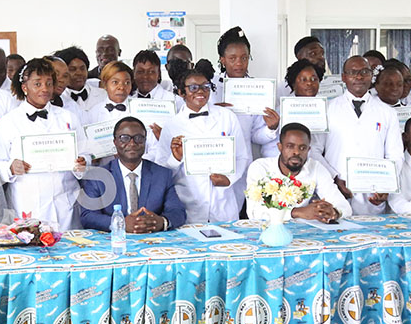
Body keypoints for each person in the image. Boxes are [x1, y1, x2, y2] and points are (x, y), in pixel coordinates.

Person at [0, 57, 87, 230]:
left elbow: (86, 151)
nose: (45, 89)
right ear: (25, 87)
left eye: (49, 83)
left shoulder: (68, 117)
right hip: (27, 205)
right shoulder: (8, 122)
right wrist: (10, 168)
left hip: (66, 204)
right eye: (38, 84)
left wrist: (82, 162)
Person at [157, 68, 249, 223]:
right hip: (189, 204)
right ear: (181, 92)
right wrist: (175, 158)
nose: (200, 91)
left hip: (223, 203)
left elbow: (241, 156)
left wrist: (229, 179)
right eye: (193, 87)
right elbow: (162, 170)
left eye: (205, 86)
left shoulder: (227, 117)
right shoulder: (172, 125)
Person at [323, 55, 402, 214]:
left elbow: (395, 154)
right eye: (353, 72)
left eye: (364, 72)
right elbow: (315, 151)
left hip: (373, 193)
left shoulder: (387, 112)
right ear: (344, 77)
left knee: (372, 235)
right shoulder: (328, 109)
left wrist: (386, 185)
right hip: (336, 189)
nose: (359, 77)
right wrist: (334, 178)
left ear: (371, 76)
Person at [78, 117, 186, 232]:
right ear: (115, 142)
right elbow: (87, 216)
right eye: (124, 138)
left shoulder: (162, 174)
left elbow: (177, 212)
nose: (132, 143)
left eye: (138, 138)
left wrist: (161, 222)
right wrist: (121, 223)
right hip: (112, 243)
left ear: (145, 142)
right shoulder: (97, 177)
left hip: (152, 243)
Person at [244, 122, 351, 222]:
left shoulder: (316, 167)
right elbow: (254, 212)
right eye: (290, 146)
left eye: (302, 148)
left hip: (304, 235)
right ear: (280, 147)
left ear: (308, 150)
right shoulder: (260, 167)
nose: (296, 152)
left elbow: (344, 207)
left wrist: (333, 212)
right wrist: (297, 212)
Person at [211, 27, 279, 162]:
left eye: (244, 58)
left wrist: (271, 129)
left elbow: (255, 136)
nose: (239, 63)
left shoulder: (258, 90)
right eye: (232, 58)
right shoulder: (210, 87)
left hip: (244, 163)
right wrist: (215, 112)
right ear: (222, 60)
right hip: (213, 159)